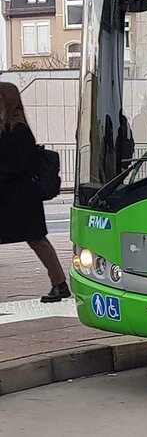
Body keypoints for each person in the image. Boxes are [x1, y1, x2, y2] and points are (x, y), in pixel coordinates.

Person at [0, 82, 69, 303]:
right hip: (13, 198)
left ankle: (59, 284)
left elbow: (19, 164)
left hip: (20, 199)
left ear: (6, 100)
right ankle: (59, 284)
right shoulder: (7, 128)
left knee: (37, 240)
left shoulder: (19, 130)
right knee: (37, 239)